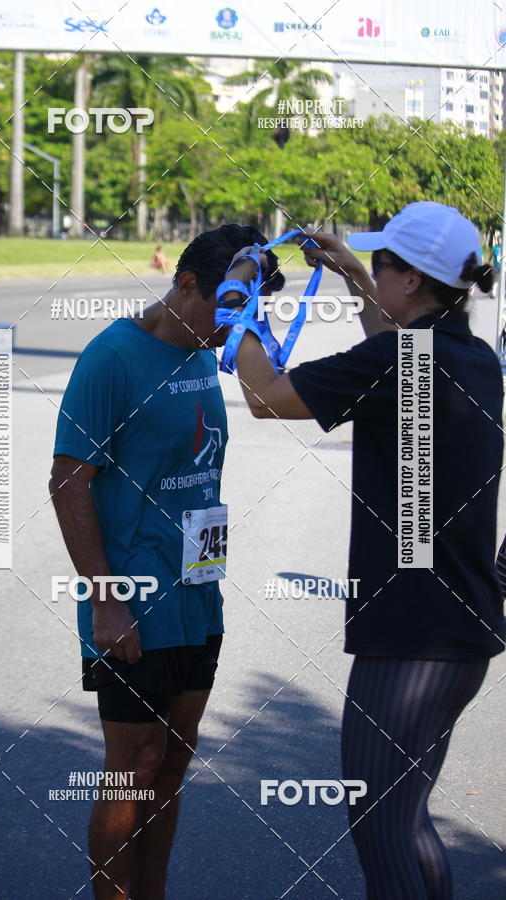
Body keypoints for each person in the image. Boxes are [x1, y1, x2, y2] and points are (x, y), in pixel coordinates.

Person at [221, 201, 504, 899]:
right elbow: (399, 346)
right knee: (406, 825)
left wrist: (236, 300)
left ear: (410, 280)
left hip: (407, 642)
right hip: (457, 634)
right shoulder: (471, 354)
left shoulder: (401, 360)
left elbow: (265, 395)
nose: (374, 271)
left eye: (383, 263)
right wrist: (352, 272)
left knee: (381, 831)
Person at [49, 224, 284, 900]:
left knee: (174, 762)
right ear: (185, 285)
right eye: (227, 305)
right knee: (134, 764)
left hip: (197, 598)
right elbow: (69, 481)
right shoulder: (114, 357)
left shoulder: (209, 352)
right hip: (133, 602)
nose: (236, 322)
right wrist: (105, 599)